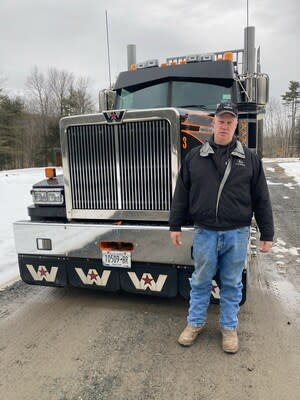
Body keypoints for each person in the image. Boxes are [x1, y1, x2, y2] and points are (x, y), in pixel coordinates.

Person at [169, 102, 274, 353]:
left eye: (230, 122)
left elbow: (262, 198)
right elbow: (181, 194)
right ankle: (195, 324)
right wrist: (175, 225)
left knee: (231, 283)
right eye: (221, 121)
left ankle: (229, 328)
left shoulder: (250, 160)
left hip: (237, 234)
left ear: (236, 125)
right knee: (200, 281)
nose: (225, 126)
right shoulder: (195, 157)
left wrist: (267, 233)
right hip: (205, 233)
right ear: (213, 123)